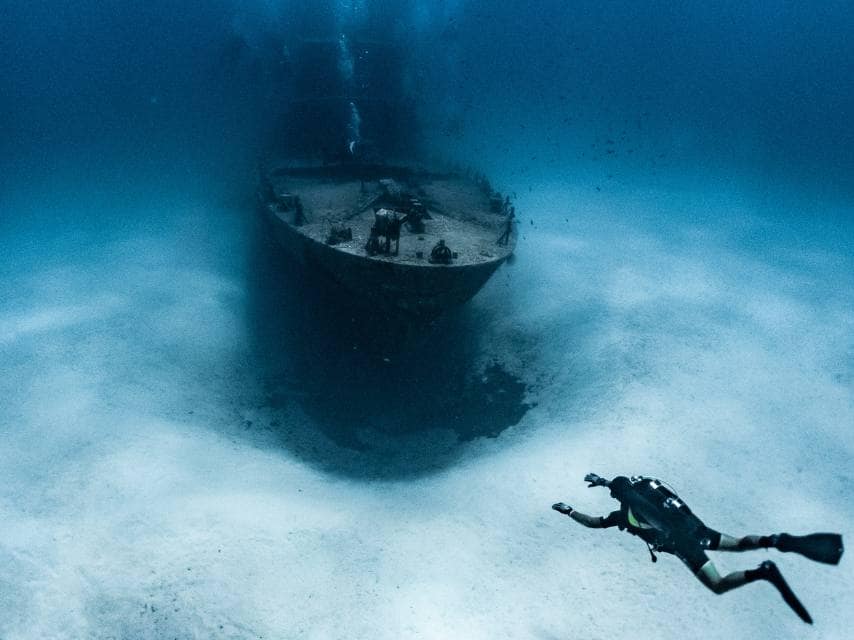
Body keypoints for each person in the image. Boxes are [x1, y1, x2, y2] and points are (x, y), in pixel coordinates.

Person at [553, 473, 844, 624]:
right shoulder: (645, 493)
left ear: (618, 498)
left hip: (685, 545)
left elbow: (593, 522)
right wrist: (604, 481)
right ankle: (773, 540)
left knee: (718, 584)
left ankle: (763, 572)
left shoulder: (621, 516)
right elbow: (623, 488)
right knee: (738, 544)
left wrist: (569, 511)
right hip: (697, 530)